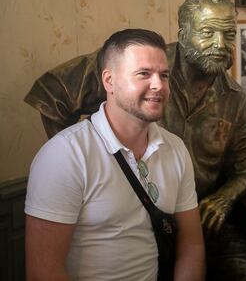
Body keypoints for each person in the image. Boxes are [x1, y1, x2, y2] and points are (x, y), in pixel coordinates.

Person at [24, 0, 246, 280]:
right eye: (208, 32)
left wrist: (225, 198)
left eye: (229, 34)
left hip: (194, 217)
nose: (220, 45)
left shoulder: (231, 98)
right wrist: (80, 160)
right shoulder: (142, 60)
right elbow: (51, 93)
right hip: (128, 217)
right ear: (184, 33)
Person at [25, 29, 205, 281]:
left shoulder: (175, 148)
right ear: (109, 81)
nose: (158, 85)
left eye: (163, 75)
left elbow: (192, 244)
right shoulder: (64, 155)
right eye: (144, 74)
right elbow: (43, 272)